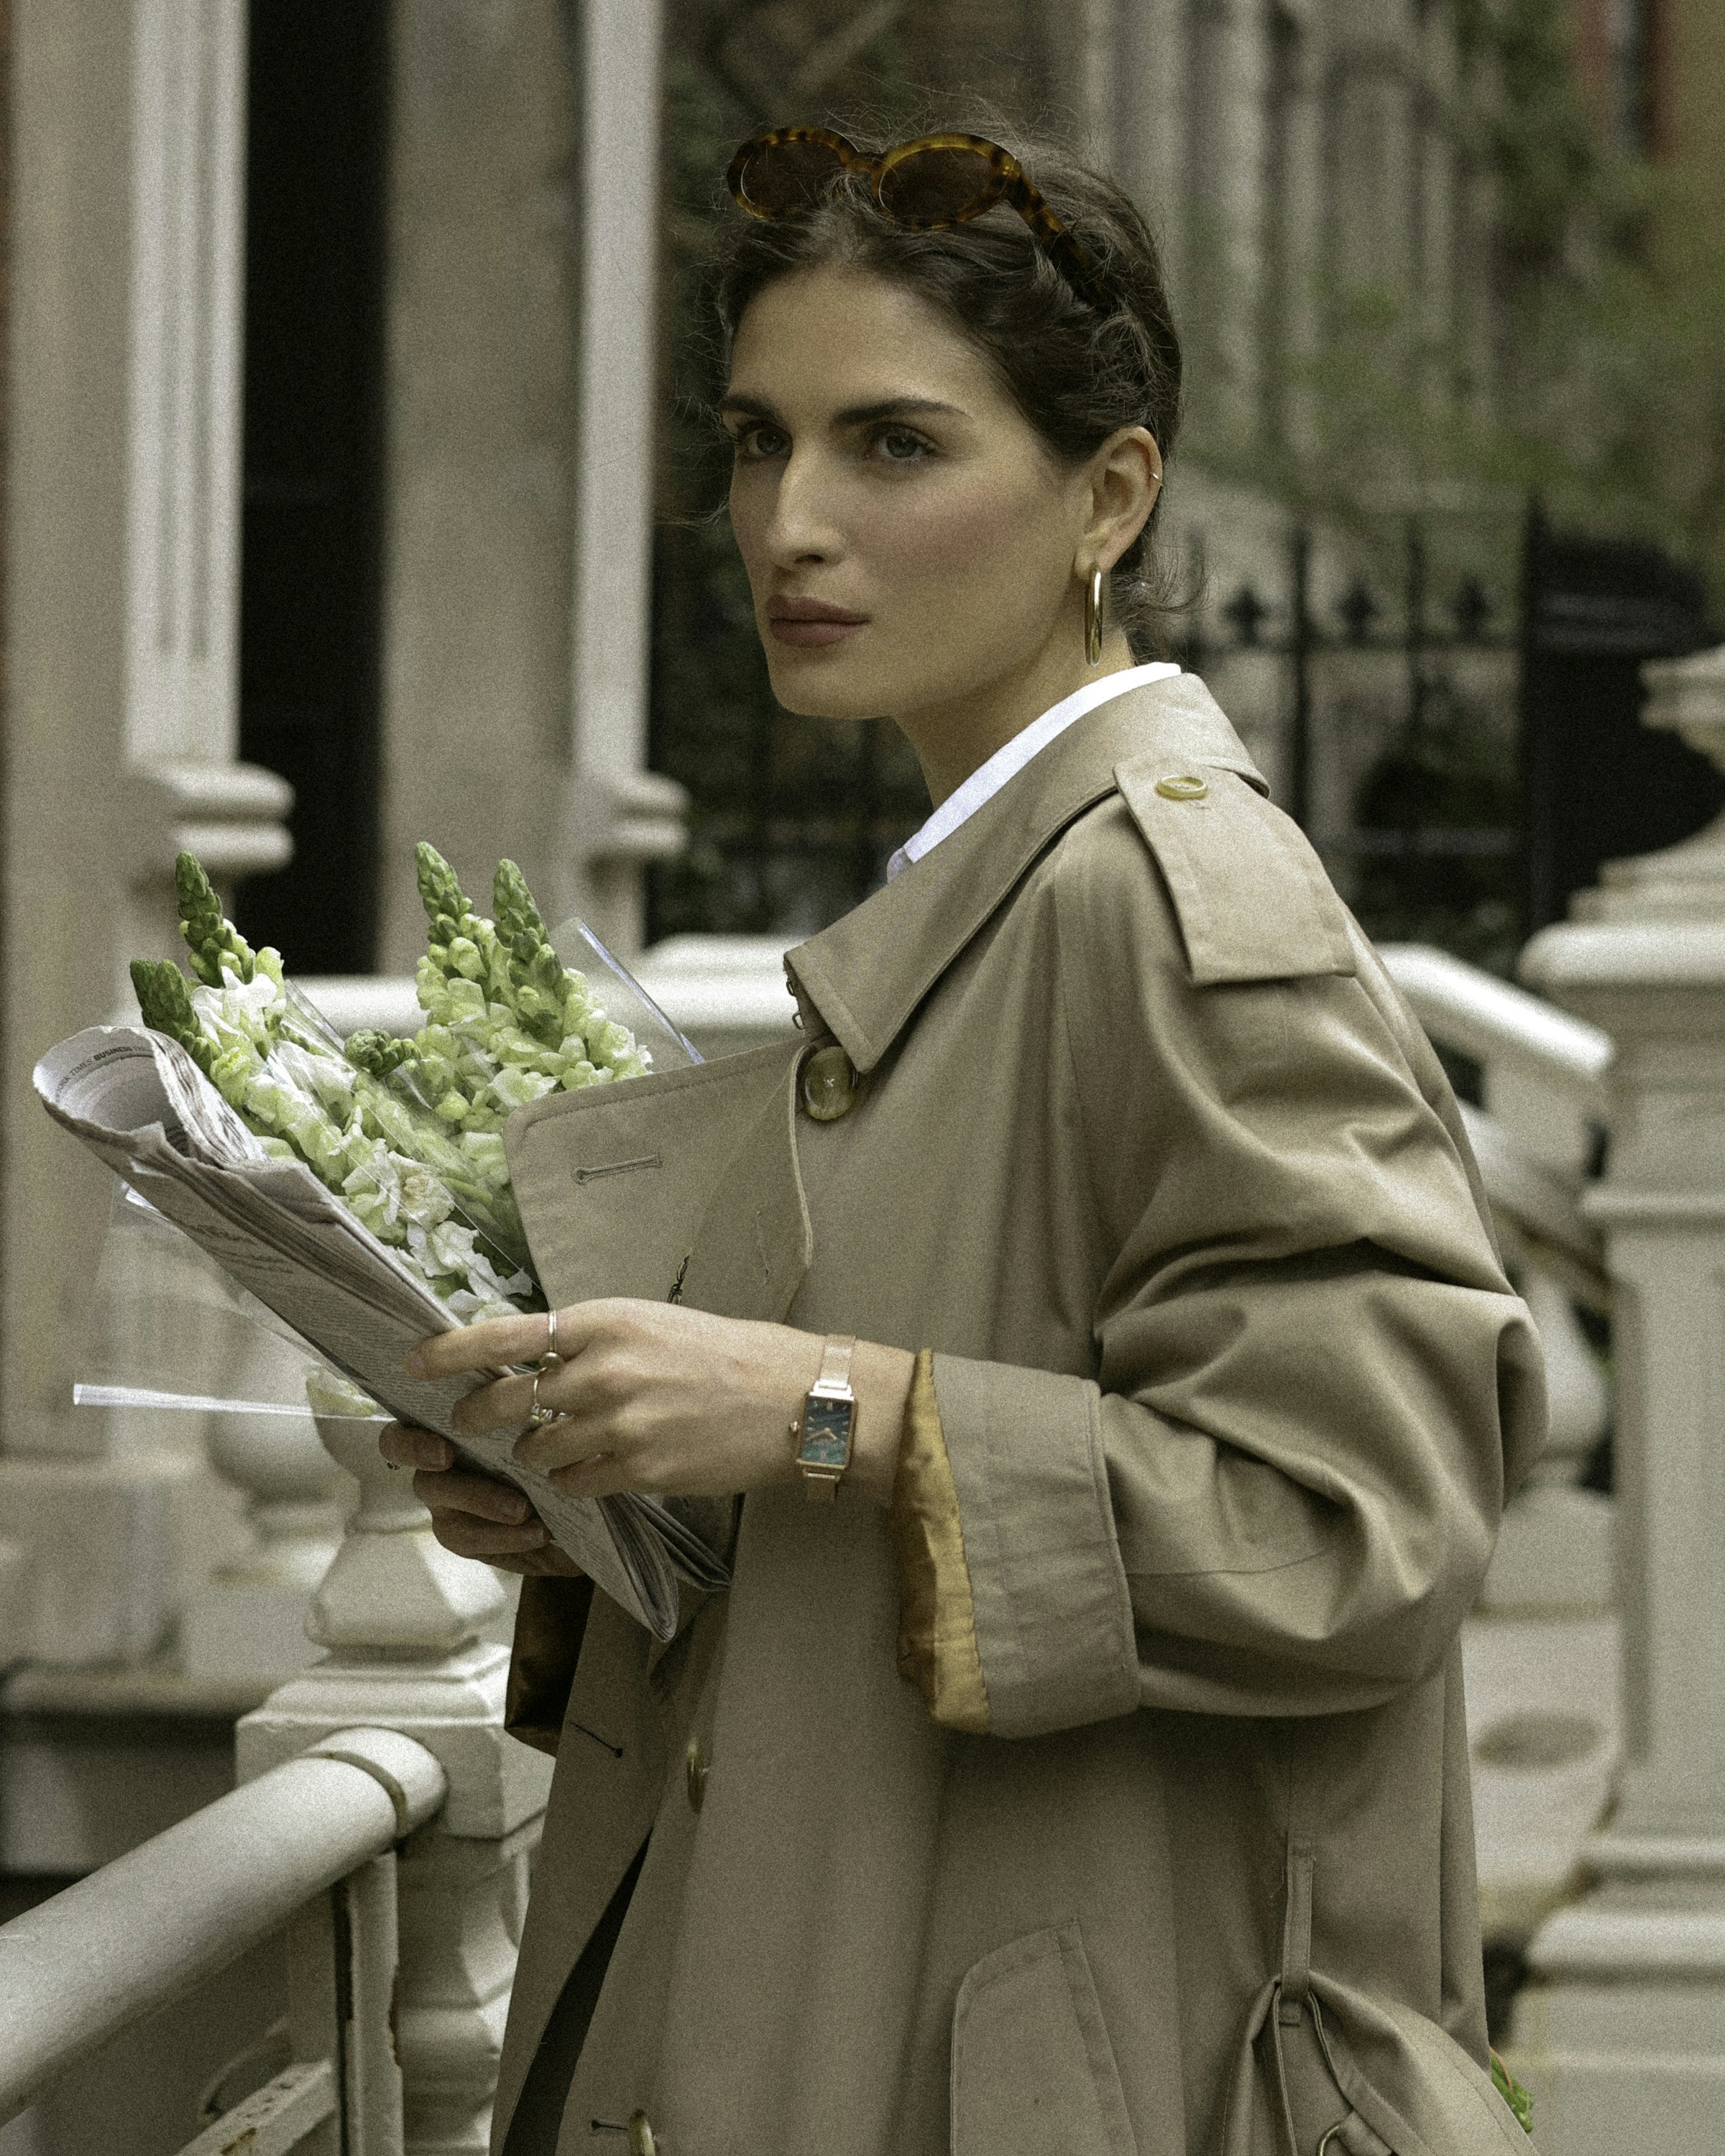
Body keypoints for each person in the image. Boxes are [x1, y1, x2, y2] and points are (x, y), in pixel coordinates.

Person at [382, 122, 1545, 2156]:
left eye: (893, 447)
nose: (790, 523)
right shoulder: (992, 890)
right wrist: (620, 1496)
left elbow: (1358, 1514)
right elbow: (930, 1441)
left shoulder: (1169, 909)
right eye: (760, 442)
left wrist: (810, 1413)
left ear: (1109, 496)